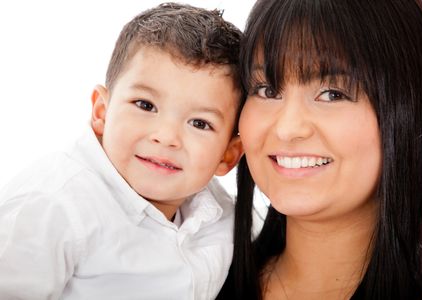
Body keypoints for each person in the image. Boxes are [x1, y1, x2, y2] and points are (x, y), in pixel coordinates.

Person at [0, 3, 243, 299]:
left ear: (228, 155)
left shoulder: (222, 213)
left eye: (199, 123)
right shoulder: (52, 206)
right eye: (145, 105)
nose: (166, 138)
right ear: (102, 111)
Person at [217, 0, 422, 299]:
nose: (287, 129)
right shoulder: (193, 281)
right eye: (267, 89)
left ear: (405, 111)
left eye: (332, 94)